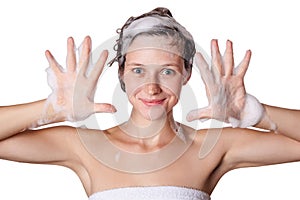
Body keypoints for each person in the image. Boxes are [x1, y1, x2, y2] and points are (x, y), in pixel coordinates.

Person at [0, 7, 299, 200]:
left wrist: (255, 114)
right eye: (138, 70)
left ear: (186, 74)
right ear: (122, 74)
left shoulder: (213, 146)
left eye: (167, 71)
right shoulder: (83, 146)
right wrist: (49, 110)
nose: (152, 87)